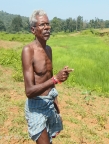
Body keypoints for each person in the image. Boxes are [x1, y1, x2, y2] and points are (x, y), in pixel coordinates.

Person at [22, 10, 73, 144]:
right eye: (42, 25)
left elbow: (48, 77)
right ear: (33, 30)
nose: (47, 28)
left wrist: (55, 101)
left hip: (49, 102)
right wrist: (55, 79)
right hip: (36, 107)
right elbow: (29, 91)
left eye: (48, 24)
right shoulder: (28, 51)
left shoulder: (48, 49)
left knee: (50, 139)